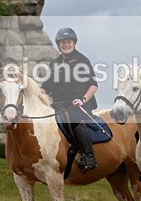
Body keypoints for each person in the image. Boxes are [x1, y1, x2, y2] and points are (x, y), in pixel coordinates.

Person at [40, 27, 100, 173]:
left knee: (74, 118)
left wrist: (83, 99)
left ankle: (90, 157)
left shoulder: (82, 60)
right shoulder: (54, 63)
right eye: (63, 42)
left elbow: (93, 85)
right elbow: (45, 87)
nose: (66, 45)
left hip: (78, 105)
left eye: (69, 42)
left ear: (74, 43)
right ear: (58, 45)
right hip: (58, 105)